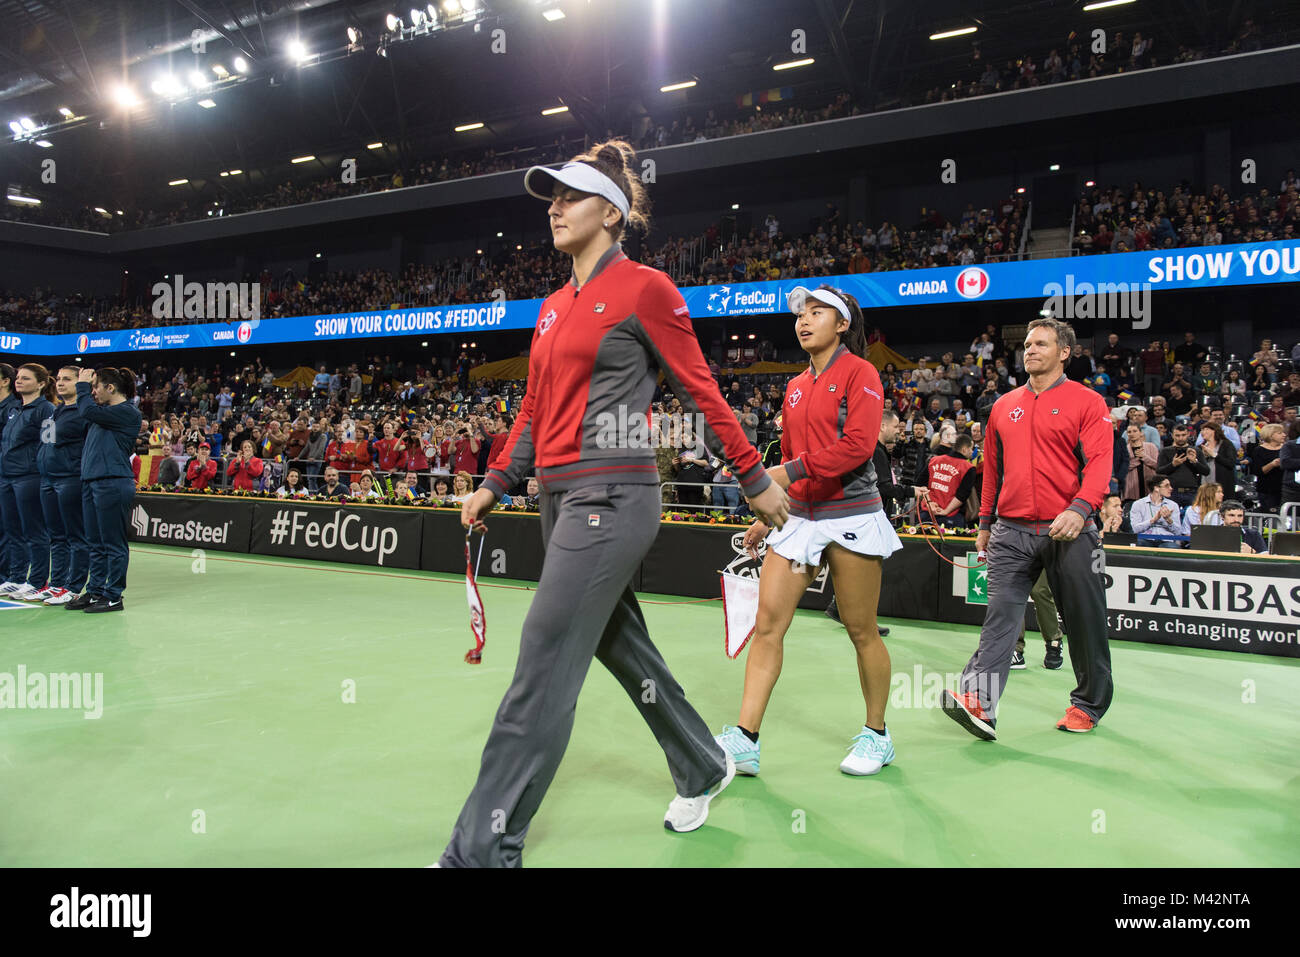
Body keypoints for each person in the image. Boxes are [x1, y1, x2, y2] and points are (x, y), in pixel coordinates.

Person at [437, 139, 788, 867]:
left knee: (541, 657)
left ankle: (480, 850)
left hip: (614, 495)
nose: (555, 208)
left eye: (569, 196)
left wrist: (753, 476)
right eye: (552, 198)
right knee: (617, 643)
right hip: (559, 499)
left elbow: (699, 388)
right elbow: (534, 409)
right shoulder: (551, 305)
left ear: (611, 210)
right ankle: (702, 761)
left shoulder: (646, 289)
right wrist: (497, 482)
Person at [714, 283, 901, 779]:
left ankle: (877, 736)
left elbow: (859, 447)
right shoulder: (795, 386)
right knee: (769, 627)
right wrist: (766, 513)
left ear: (842, 325)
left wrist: (785, 475)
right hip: (800, 519)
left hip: (853, 515)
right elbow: (795, 456)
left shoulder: (861, 373)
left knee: (861, 630)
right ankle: (746, 740)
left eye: (818, 312)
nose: (804, 320)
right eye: (801, 313)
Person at [942, 316, 1113, 739]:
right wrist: (984, 522)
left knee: (1084, 621)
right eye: (1028, 344)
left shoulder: (1088, 403)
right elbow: (993, 472)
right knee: (1001, 616)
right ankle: (980, 702)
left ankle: (1088, 705)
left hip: (1071, 530)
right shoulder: (1003, 406)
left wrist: (1079, 508)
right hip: (1010, 530)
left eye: (1041, 344)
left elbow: (1100, 465)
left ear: (1065, 353)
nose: (1030, 350)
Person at [68, 366, 142, 613]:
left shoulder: (127, 412)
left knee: (112, 543)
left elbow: (86, 408)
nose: (93, 391)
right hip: (93, 481)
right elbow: (86, 412)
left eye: (95, 386)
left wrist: (80, 385)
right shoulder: (104, 413)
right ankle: (96, 590)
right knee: (95, 542)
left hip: (112, 481)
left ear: (110, 388)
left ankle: (113, 595)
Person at [0, 364, 57, 600]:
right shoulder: (17, 410)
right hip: (7, 475)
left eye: (25, 378)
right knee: (13, 530)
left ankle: (37, 580)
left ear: (41, 383)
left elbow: (49, 442)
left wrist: (41, 470)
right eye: (18, 378)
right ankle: (16, 578)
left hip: (29, 476)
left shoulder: (46, 410)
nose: (19, 381)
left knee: (34, 530)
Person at [34, 366, 88, 605]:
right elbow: (46, 443)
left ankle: (74, 586)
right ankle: (56, 583)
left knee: (75, 536)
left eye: (67, 379)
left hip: (70, 478)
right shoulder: (55, 411)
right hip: (48, 478)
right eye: (58, 379)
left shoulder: (83, 412)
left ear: (80, 383)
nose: (60, 383)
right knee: (56, 536)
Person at [922, 433, 978, 527]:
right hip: (952, 517)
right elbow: (962, 495)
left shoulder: (934, 460)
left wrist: (929, 503)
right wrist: (945, 511)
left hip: (927, 514)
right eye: (971, 448)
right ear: (964, 449)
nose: (972, 452)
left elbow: (920, 484)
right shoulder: (968, 468)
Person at [1155, 424, 1208, 508]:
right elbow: (1159, 471)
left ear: (1188, 434)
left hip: (1192, 491)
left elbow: (1206, 471)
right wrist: (1173, 465)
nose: (1180, 438)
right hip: (1172, 491)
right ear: (1172, 435)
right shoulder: (1165, 451)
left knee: (1193, 519)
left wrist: (1195, 462)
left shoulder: (1195, 450)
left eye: (1183, 435)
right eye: (1177, 435)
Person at [1129, 476, 1185, 546]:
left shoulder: (1173, 505)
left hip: (1166, 540)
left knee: (1172, 547)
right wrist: (1153, 520)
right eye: (1166, 486)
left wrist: (1168, 520)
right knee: (1138, 544)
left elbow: (1178, 532)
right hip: (1145, 539)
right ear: (1156, 488)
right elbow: (1135, 529)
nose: (1171, 488)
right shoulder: (1138, 504)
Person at [1248, 424, 1286, 511]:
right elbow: (1257, 471)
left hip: (1285, 489)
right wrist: (1272, 464)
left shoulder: (1287, 448)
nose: (1284, 435)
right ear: (1271, 435)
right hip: (1267, 489)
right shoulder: (1259, 450)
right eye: (1280, 433)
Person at [1123, 423, 1159, 501]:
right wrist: (1137, 460)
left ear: (1141, 432)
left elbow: (1157, 465)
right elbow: (1122, 468)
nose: (1132, 434)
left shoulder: (1151, 447)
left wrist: (1144, 457)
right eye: (1129, 432)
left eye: (1135, 431)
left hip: (1149, 486)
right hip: (1131, 488)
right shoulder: (1124, 449)